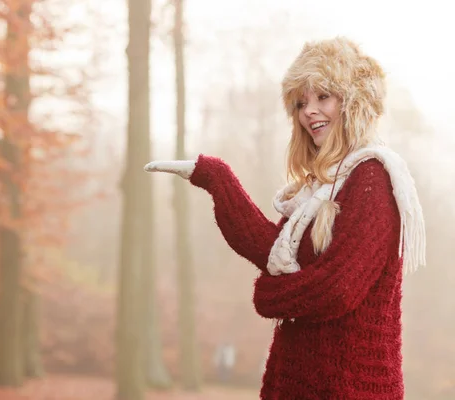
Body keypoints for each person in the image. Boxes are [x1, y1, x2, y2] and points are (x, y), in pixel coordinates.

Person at [144, 37, 426, 400]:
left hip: (348, 386)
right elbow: (271, 251)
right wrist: (217, 178)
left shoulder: (372, 177)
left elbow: (337, 288)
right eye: (300, 103)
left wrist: (268, 297)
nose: (309, 111)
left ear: (354, 103)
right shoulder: (319, 188)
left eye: (323, 97)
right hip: (298, 376)